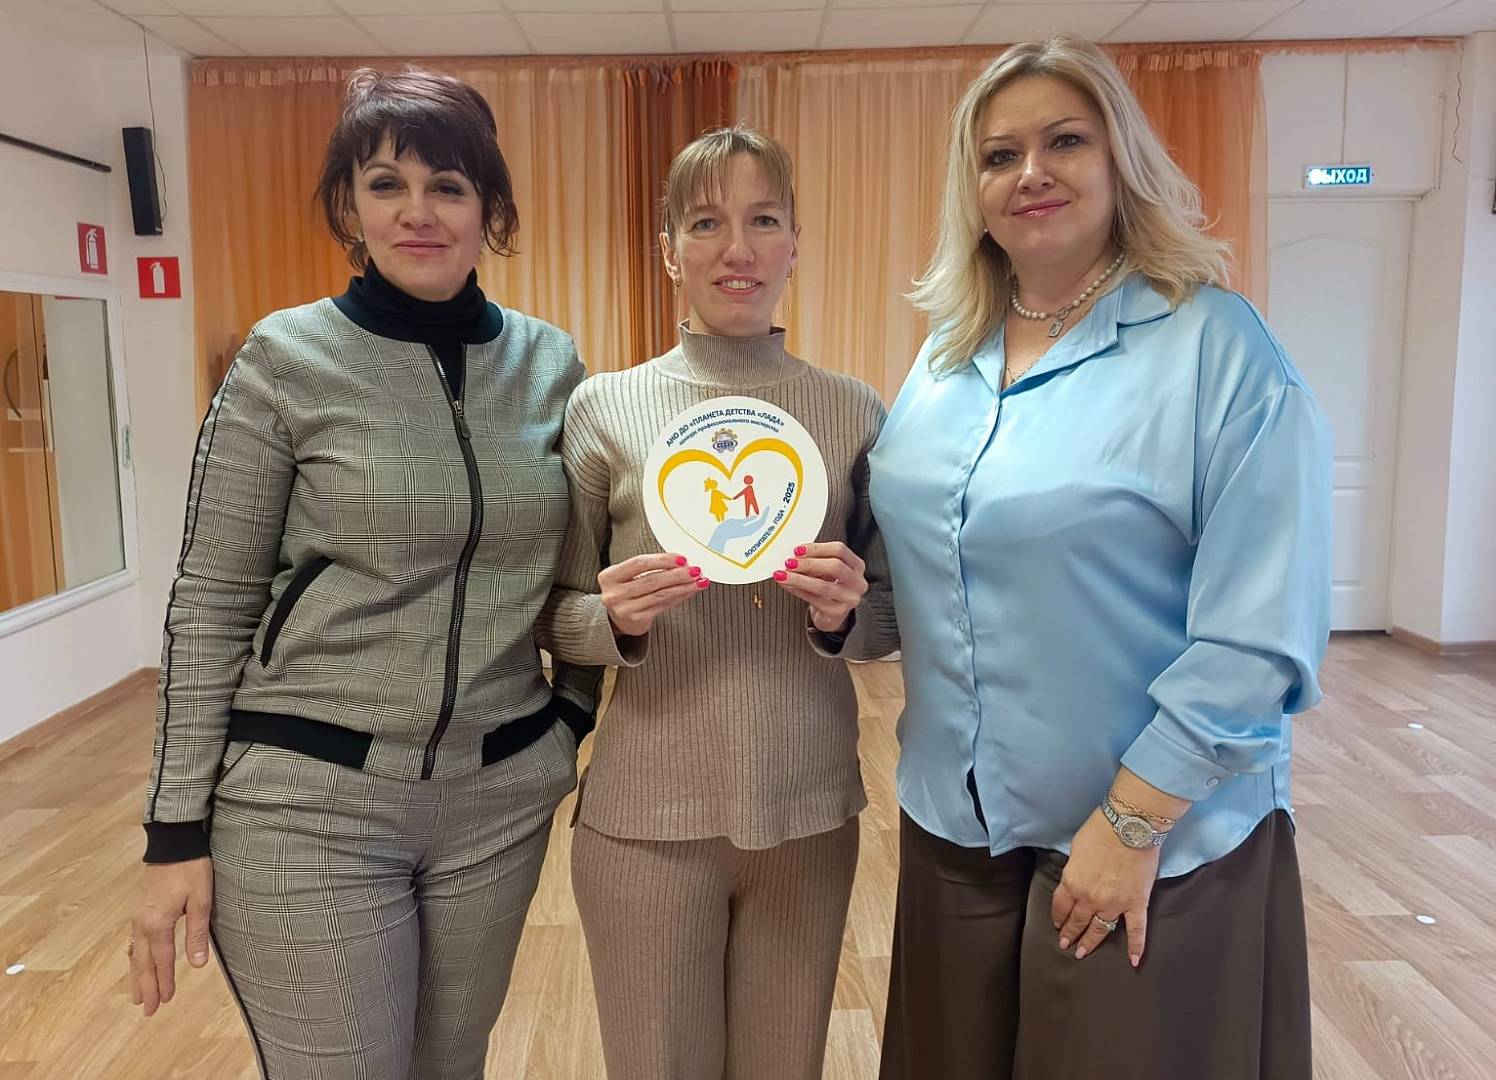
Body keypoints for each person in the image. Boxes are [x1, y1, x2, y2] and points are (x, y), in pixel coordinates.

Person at [870, 35, 1331, 1080]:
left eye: (1065, 142)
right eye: (999, 155)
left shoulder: (1217, 348)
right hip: (957, 828)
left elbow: (1260, 636)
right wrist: (842, 607)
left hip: (1150, 842)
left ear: (1122, 158)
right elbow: (920, 571)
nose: (1030, 173)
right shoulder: (945, 359)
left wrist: (1130, 823)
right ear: (971, 190)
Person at [129, 67, 601, 1080]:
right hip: (307, 802)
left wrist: (569, 717)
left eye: (448, 186)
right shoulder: (285, 359)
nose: (417, 212)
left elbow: (583, 567)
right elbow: (209, 603)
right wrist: (173, 832)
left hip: (496, 801)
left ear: (489, 208)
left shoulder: (550, 366)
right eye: (387, 184)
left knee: (450, 1066)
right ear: (350, 204)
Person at [536, 125, 898, 1080]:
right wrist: (611, 619)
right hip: (644, 816)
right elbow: (553, 613)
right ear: (669, 251)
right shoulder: (603, 408)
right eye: (706, 223)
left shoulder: (854, 411)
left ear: (795, 245)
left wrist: (843, 615)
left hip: (809, 807)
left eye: (763, 220)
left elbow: (891, 616)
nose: (737, 248)